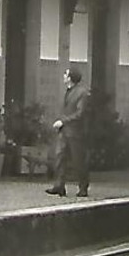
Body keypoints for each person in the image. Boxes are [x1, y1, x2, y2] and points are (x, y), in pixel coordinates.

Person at [47, 66, 91, 197]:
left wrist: (63, 121)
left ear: (71, 78)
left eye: (65, 74)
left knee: (79, 161)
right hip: (64, 131)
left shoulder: (82, 93)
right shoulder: (68, 91)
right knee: (60, 158)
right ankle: (59, 186)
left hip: (76, 132)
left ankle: (83, 187)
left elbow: (80, 113)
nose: (63, 77)